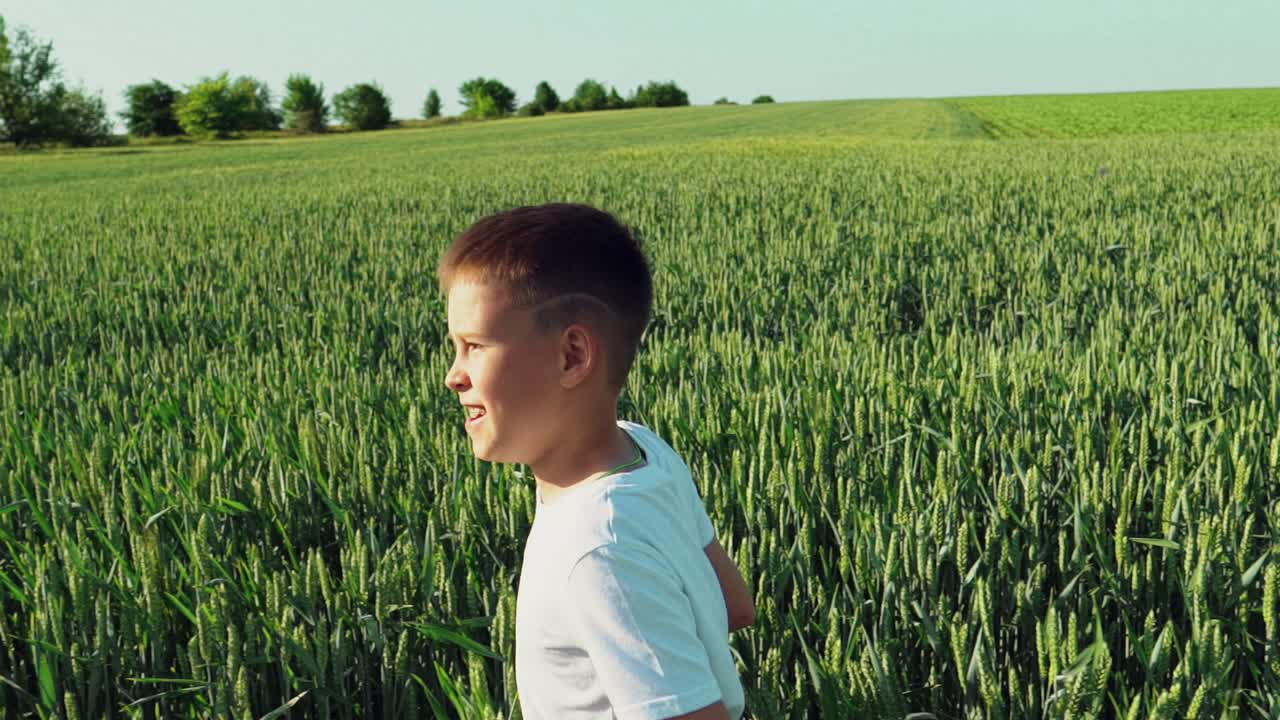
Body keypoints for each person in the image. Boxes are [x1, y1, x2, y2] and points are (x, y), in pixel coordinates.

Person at [439, 203, 755, 720]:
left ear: (572, 356)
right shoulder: (644, 450)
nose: (454, 375)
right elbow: (732, 603)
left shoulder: (596, 550)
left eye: (474, 346)